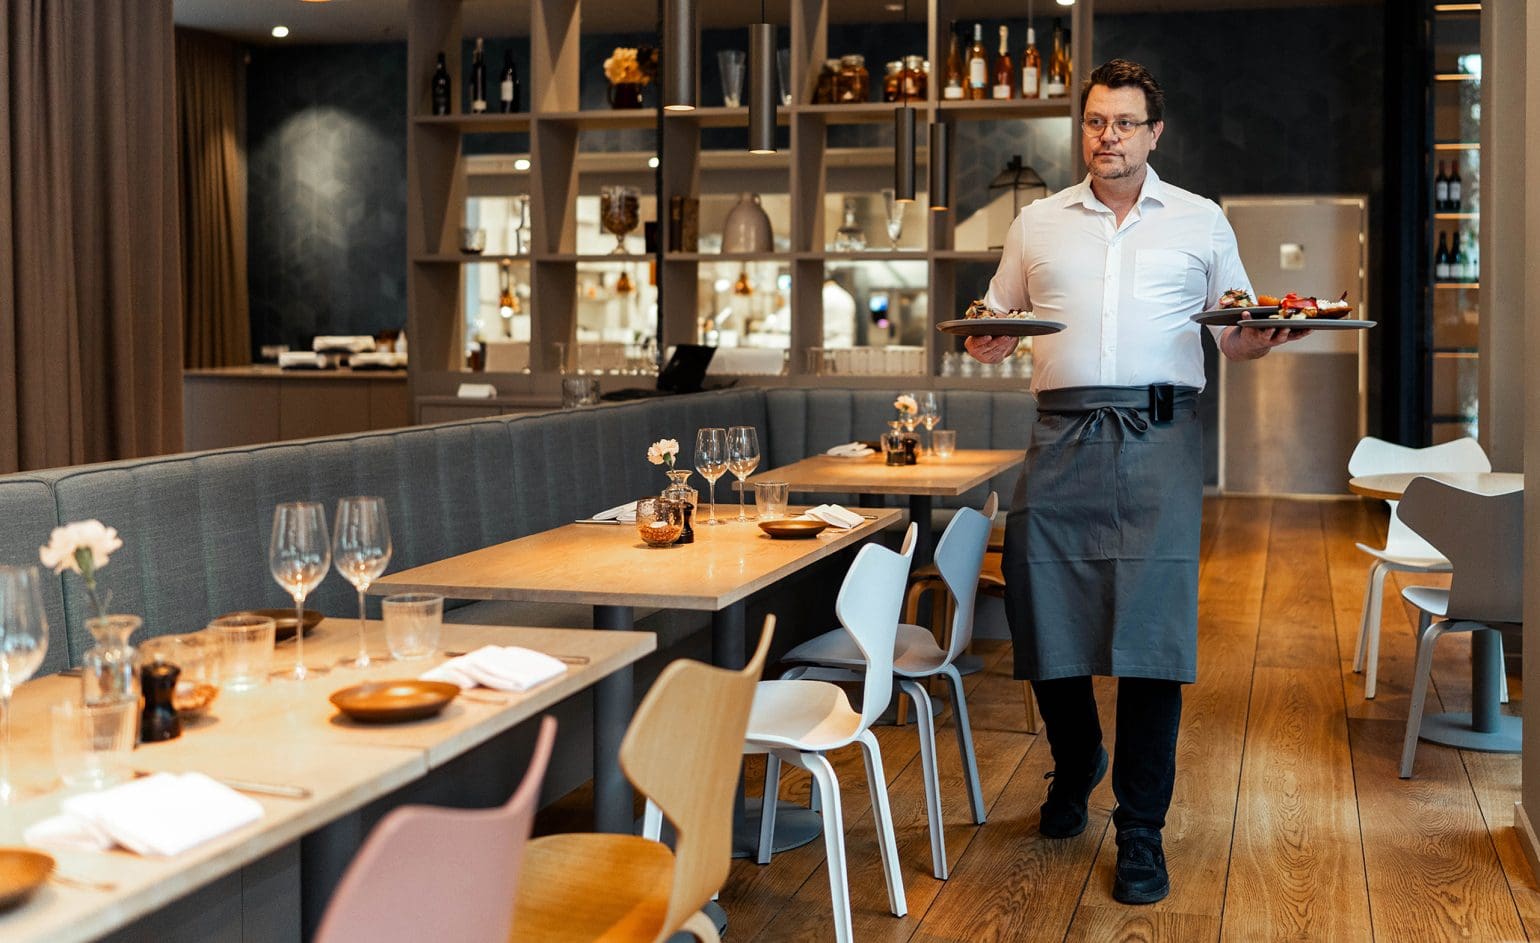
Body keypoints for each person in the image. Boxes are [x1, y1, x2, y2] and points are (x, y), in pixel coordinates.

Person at [965, 58, 1308, 905]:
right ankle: (1078, 754)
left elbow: (1234, 328)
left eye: (1123, 122)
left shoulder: (1201, 219)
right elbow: (996, 314)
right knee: (1039, 610)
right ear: (1080, 128)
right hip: (1061, 432)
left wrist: (1256, 342)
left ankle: (1142, 829)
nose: (1106, 136)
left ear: (1155, 133)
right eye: (1094, 121)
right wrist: (985, 336)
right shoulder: (1037, 222)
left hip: (1159, 437)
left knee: (1152, 640)